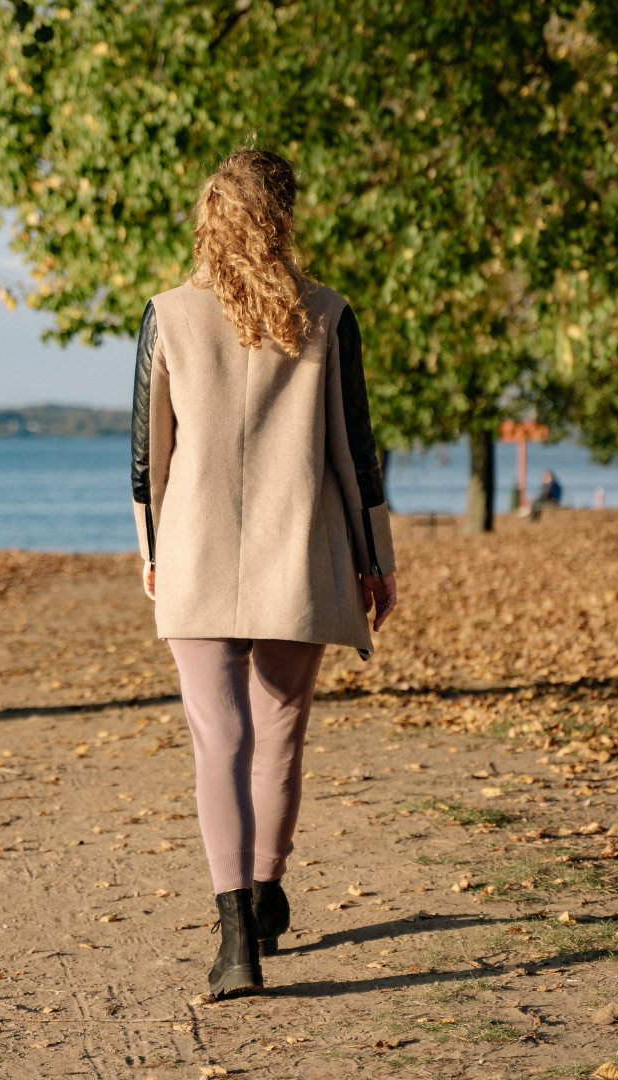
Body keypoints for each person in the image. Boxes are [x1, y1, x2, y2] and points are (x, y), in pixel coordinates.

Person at [131, 149, 398, 998]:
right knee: (280, 728)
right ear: (283, 217)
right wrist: (375, 559)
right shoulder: (327, 313)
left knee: (221, 738)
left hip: (196, 551)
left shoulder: (167, 314)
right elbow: (355, 453)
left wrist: (151, 551)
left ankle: (236, 936)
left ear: (209, 218)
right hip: (303, 550)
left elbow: (149, 461)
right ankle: (268, 888)